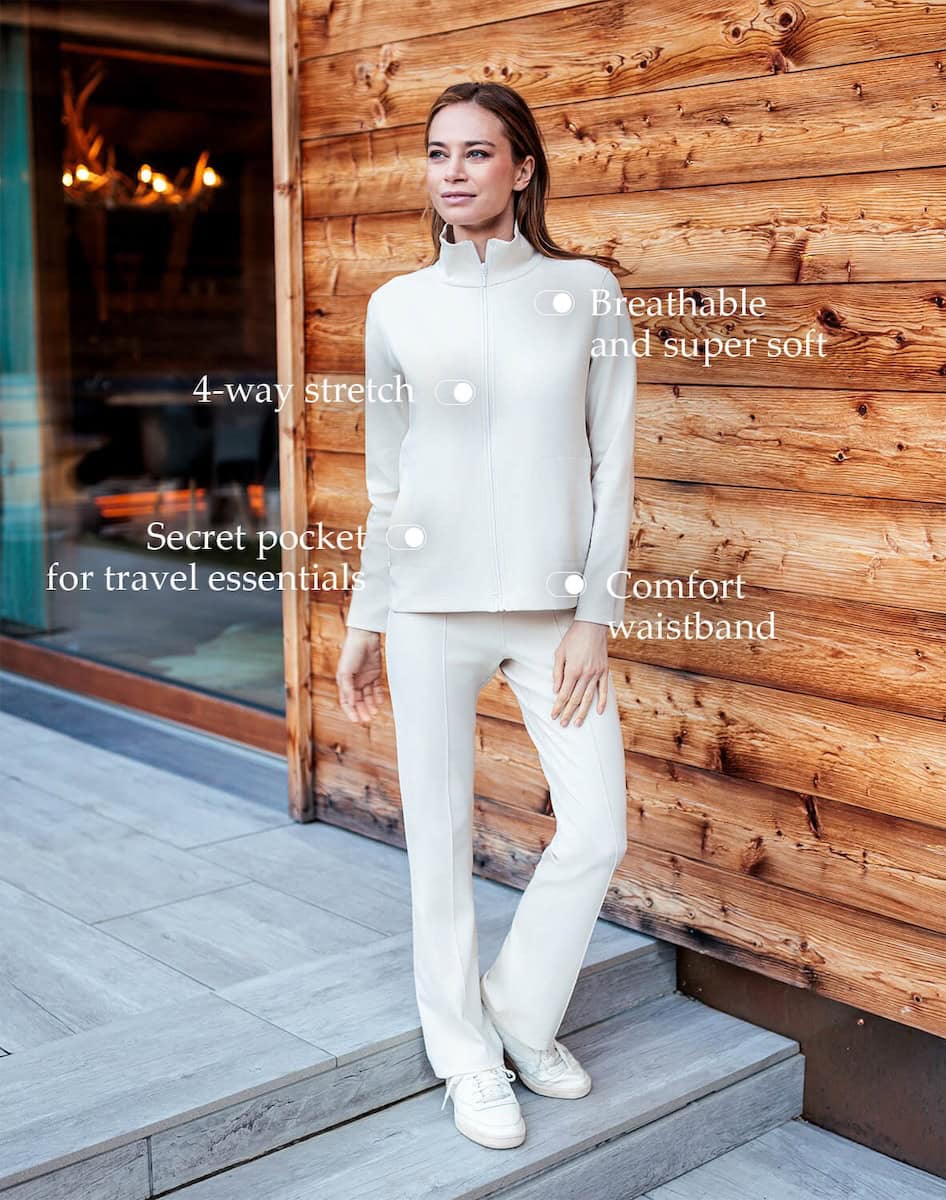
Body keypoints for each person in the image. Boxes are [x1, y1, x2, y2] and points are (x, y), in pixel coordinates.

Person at [334, 80, 637, 1152]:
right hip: (424, 610)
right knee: (441, 837)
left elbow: (613, 462)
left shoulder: (587, 292)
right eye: (437, 153)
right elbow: (387, 477)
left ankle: (520, 1011)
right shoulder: (395, 307)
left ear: (523, 168)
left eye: (477, 152)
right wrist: (365, 618)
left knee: (597, 825)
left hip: (554, 617)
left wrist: (595, 613)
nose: (453, 171)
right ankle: (466, 1055)